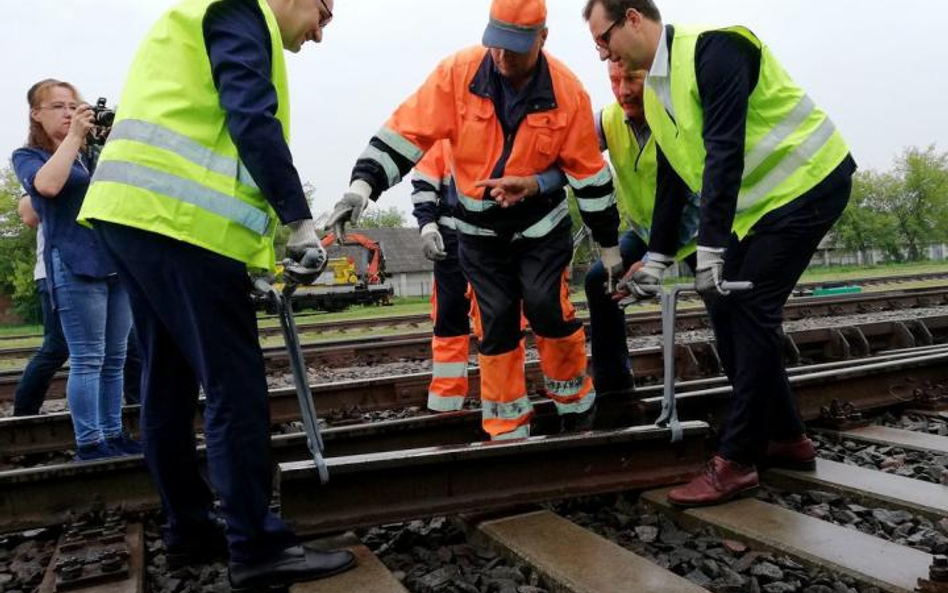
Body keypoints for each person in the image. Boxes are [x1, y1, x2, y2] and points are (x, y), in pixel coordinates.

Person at [77, 0, 357, 588]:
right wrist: (297, 220)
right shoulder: (238, 10)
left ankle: (190, 532)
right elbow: (249, 117)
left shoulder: (194, 14)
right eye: (325, 15)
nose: (321, 34)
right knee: (233, 383)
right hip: (178, 222)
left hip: (130, 214)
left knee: (169, 381)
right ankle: (256, 548)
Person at [584, 0, 856, 505]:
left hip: (808, 183)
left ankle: (737, 460)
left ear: (634, 19)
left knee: (750, 310)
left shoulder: (715, 48)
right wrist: (660, 259)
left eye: (604, 40)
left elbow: (724, 150)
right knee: (732, 310)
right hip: (762, 209)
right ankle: (788, 438)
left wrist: (709, 249)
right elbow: (672, 181)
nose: (605, 56)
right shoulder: (659, 86)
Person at [328, 0, 622, 440]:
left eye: (515, 49)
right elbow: (405, 132)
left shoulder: (567, 92)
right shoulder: (458, 74)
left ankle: (575, 404)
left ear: (542, 39)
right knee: (497, 317)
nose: (502, 59)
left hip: (541, 227)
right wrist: (361, 187)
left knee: (544, 305)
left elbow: (589, 176)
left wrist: (610, 248)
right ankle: (506, 426)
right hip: (479, 232)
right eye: (496, 46)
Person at [12, 80, 137, 460]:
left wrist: (109, 141)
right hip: (73, 263)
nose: (69, 113)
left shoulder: (89, 153)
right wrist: (74, 138)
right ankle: (89, 441)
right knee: (87, 358)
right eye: (59, 107)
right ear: (37, 113)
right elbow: (47, 188)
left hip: (114, 261)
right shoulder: (28, 155)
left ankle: (113, 433)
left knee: (115, 357)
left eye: (74, 106)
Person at [584, 61, 698, 407]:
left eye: (632, 79)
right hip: (647, 230)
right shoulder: (608, 120)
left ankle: (748, 376)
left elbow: (688, 202)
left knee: (723, 295)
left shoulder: (679, 118)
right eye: (614, 80)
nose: (623, 90)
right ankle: (614, 384)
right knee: (597, 280)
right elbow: (571, 152)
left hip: (696, 228)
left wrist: (652, 262)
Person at [12, 194, 70, 417]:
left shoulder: (95, 162)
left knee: (125, 348)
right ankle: (24, 413)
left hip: (102, 272)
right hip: (56, 274)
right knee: (56, 347)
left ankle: (135, 411)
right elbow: (28, 214)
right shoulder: (46, 165)